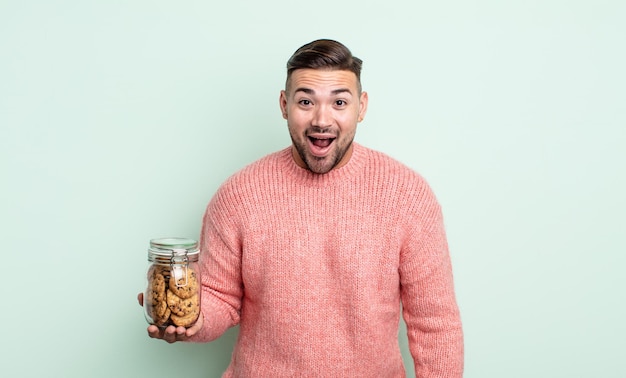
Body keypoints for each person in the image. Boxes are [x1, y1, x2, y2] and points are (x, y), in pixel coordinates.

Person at [138, 39, 464, 377]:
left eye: (339, 102)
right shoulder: (239, 194)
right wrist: (193, 321)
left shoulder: (407, 195)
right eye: (306, 101)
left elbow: (435, 323)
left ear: (361, 107)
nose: (322, 120)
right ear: (284, 104)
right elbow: (219, 297)